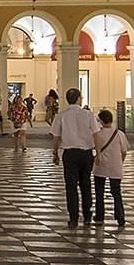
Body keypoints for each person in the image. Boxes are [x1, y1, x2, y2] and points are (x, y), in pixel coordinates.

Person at [49, 88, 98, 226]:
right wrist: (98, 152)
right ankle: (87, 215)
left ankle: (73, 218)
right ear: (78, 98)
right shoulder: (88, 115)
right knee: (86, 184)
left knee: (71, 186)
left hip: (69, 154)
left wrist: (55, 153)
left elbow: (56, 136)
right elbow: (96, 134)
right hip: (86, 153)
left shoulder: (61, 116)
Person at [92, 109, 129, 226]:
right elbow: (124, 151)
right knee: (116, 192)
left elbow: (94, 147)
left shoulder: (97, 134)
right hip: (115, 167)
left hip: (100, 166)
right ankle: (120, 216)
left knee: (99, 192)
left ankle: (99, 216)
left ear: (101, 121)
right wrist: (120, 162)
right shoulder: (119, 134)